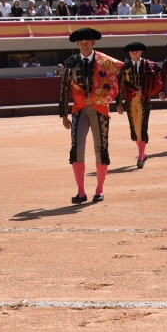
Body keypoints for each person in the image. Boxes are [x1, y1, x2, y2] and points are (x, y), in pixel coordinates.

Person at [58, 27, 123, 204]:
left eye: (87, 42)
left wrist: (94, 98)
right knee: (77, 147)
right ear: (77, 44)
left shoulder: (104, 61)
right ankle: (81, 192)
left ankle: (99, 190)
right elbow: (64, 89)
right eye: (81, 43)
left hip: (99, 108)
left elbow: (114, 89)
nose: (84, 45)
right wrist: (64, 115)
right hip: (79, 110)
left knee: (101, 148)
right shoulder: (71, 63)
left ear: (94, 43)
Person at [117, 41, 165, 169]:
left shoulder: (149, 65)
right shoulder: (125, 67)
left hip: (144, 101)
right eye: (132, 51)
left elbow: (157, 83)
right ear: (129, 53)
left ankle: (141, 157)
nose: (134, 53)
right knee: (135, 129)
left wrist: (143, 91)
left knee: (142, 128)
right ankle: (143, 153)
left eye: (136, 51)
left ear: (141, 52)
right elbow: (121, 86)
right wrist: (119, 103)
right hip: (130, 102)